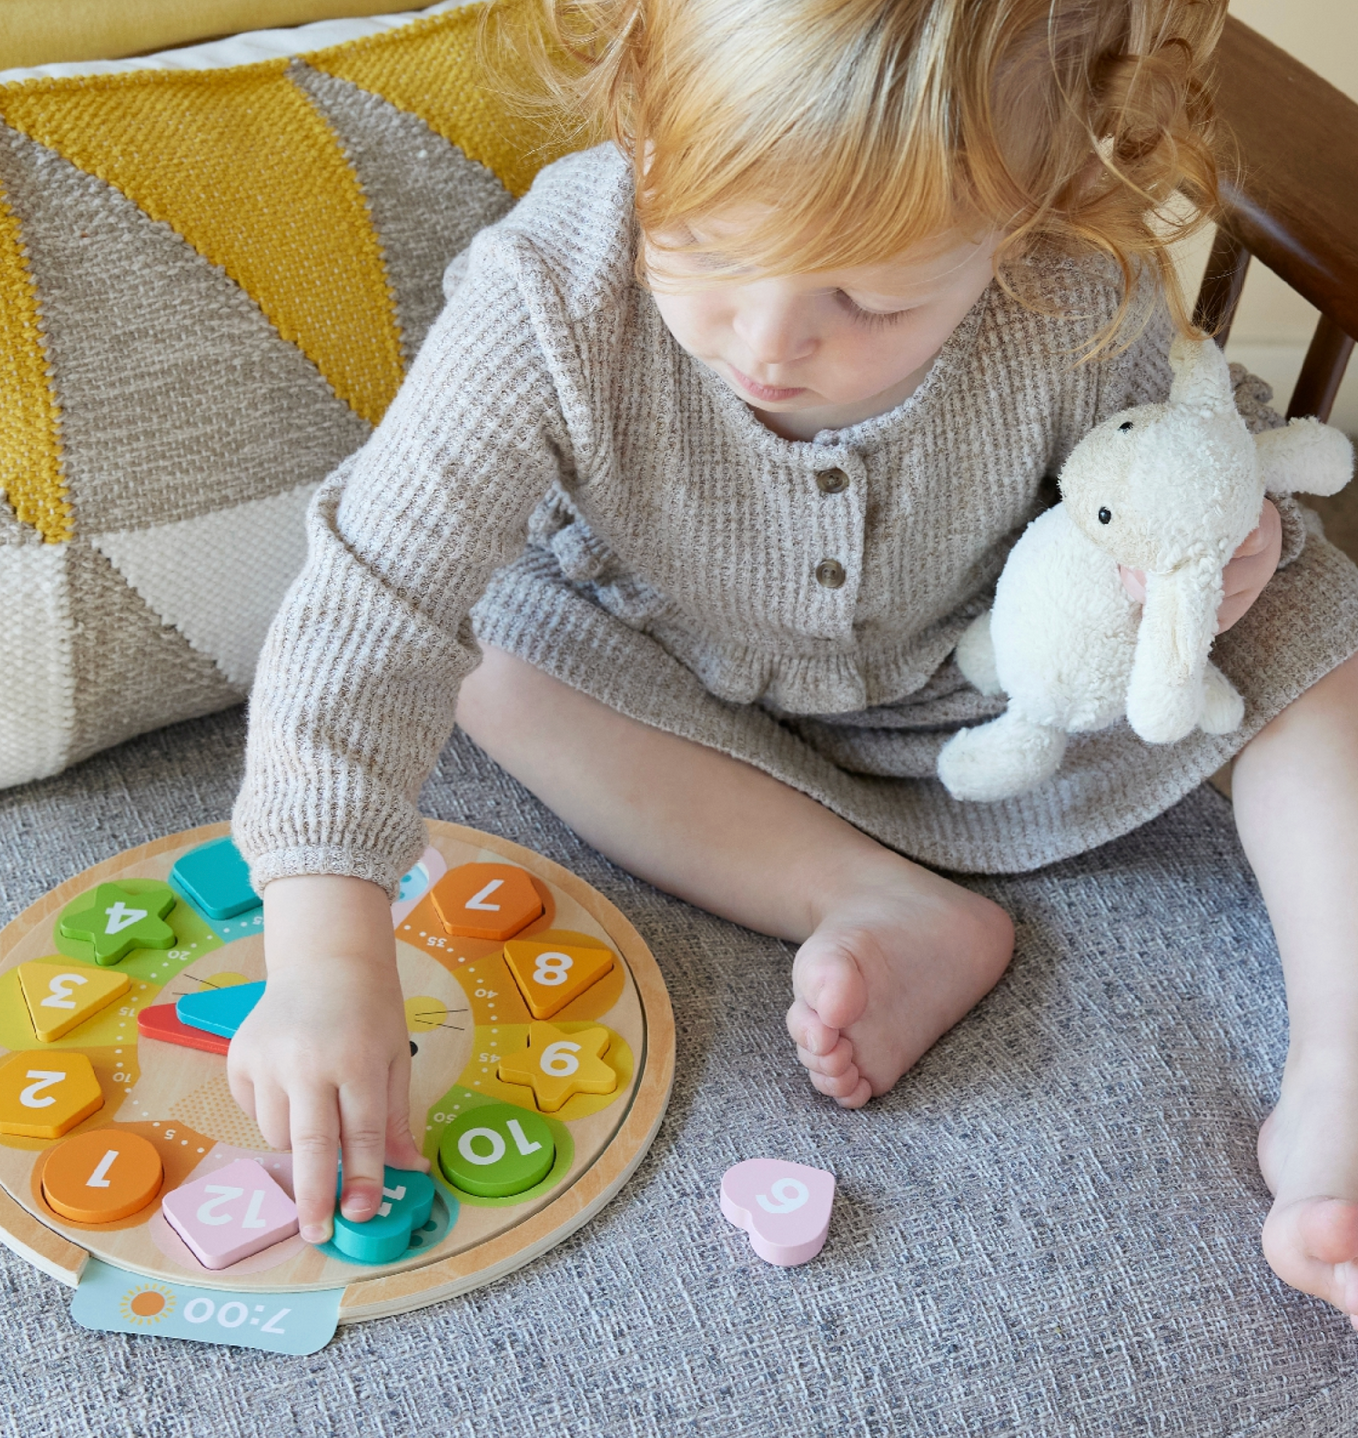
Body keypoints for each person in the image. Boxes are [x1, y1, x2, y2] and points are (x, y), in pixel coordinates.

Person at [230, 0, 1358, 1322]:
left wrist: (1230, 542)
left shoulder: (1075, 285)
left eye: (870, 297)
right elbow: (375, 595)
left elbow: (1194, 444)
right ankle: (870, 895)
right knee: (488, 655)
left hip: (989, 681)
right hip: (663, 678)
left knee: (1309, 618)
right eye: (698, 243)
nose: (766, 343)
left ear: (1033, 207)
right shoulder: (550, 290)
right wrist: (324, 948)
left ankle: (1342, 1060)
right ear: (637, 117)